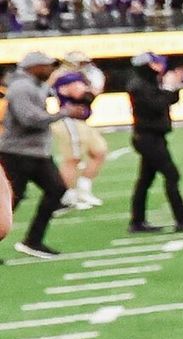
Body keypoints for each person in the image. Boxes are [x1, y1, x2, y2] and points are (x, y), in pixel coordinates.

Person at [2, 51, 68, 257]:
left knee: (56, 189)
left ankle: (33, 240)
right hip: (16, 152)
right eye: (47, 66)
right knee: (10, 201)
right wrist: (63, 113)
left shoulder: (35, 85)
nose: (50, 70)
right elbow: (29, 119)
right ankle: (33, 240)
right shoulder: (21, 87)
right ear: (34, 67)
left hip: (35, 152)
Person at [127, 52, 183, 233]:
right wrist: (168, 88)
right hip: (148, 137)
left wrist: (174, 87)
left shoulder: (147, 81)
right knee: (171, 175)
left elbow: (169, 101)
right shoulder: (139, 85)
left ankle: (137, 221)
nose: (160, 66)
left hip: (151, 136)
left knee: (145, 180)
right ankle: (181, 218)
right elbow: (158, 105)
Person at [49, 55, 109, 210]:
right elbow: (81, 94)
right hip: (70, 120)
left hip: (81, 121)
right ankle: (65, 196)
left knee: (99, 151)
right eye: (82, 63)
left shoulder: (77, 76)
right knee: (73, 159)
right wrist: (92, 87)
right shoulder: (67, 76)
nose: (85, 65)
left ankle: (83, 190)